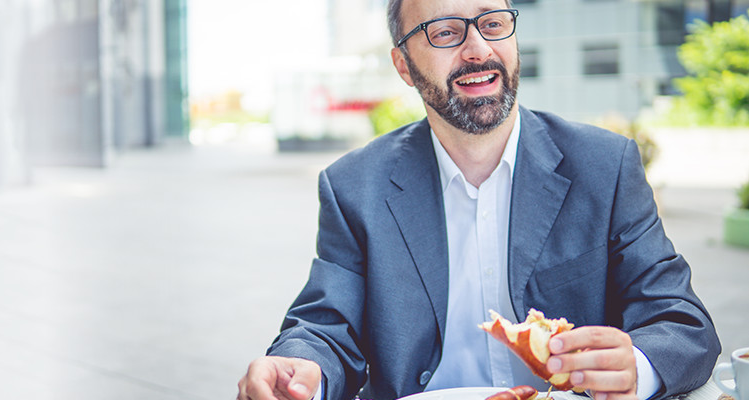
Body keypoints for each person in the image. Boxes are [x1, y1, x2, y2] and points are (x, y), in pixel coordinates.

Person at [236, 0, 721, 399]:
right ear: (403, 64)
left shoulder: (604, 165)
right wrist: (299, 371)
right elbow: (325, 326)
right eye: (445, 32)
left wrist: (635, 365)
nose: (478, 48)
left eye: (492, 24)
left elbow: (681, 322)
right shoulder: (354, 187)